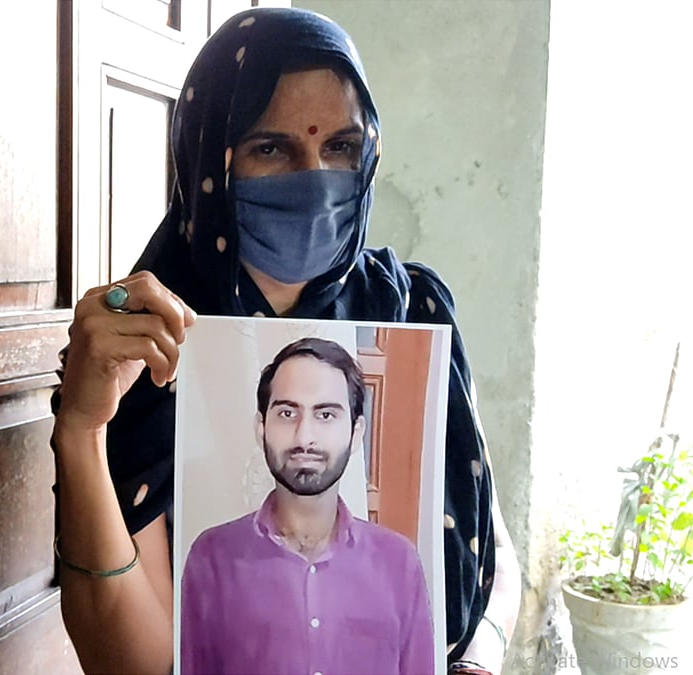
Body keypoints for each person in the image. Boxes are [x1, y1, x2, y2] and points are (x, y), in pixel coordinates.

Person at [51, 7, 520, 674]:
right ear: (208, 156)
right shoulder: (144, 354)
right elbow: (131, 662)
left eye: (341, 147)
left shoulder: (411, 309)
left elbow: (496, 547)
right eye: (271, 148)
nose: (316, 177)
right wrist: (81, 430)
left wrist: (482, 652)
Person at [180, 337, 432, 674]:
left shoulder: (398, 562)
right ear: (261, 428)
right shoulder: (211, 556)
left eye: (326, 414)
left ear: (356, 433)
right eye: (287, 413)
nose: (304, 438)